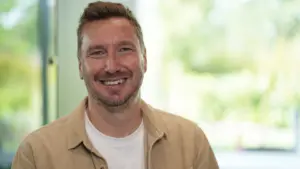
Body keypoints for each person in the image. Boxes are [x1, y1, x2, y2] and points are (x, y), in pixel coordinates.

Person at [11, 1, 219, 169]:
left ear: (144, 60)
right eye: (97, 52)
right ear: (80, 66)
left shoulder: (191, 143)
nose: (111, 66)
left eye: (124, 49)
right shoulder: (37, 155)